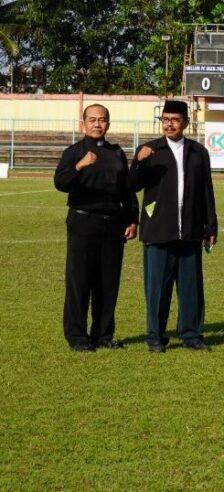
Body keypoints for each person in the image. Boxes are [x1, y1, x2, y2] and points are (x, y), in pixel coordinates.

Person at [128, 100, 217, 352]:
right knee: (157, 288)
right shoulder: (149, 150)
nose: (169, 124)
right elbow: (131, 185)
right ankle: (155, 336)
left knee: (191, 288)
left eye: (175, 119)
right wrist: (138, 162)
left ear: (186, 123)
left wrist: (210, 226)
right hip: (158, 231)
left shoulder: (198, 152)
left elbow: (206, 192)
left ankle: (192, 334)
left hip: (189, 231)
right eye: (165, 119)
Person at [53, 104, 138, 351]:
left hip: (112, 225)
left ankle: (103, 335)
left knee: (108, 282)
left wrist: (132, 218)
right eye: (92, 120)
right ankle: (77, 337)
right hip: (83, 222)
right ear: (84, 123)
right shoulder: (74, 152)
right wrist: (79, 166)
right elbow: (60, 182)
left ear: (108, 124)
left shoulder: (117, 152)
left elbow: (127, 189)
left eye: (102, 120)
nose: (97, 124)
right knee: (79, 281)